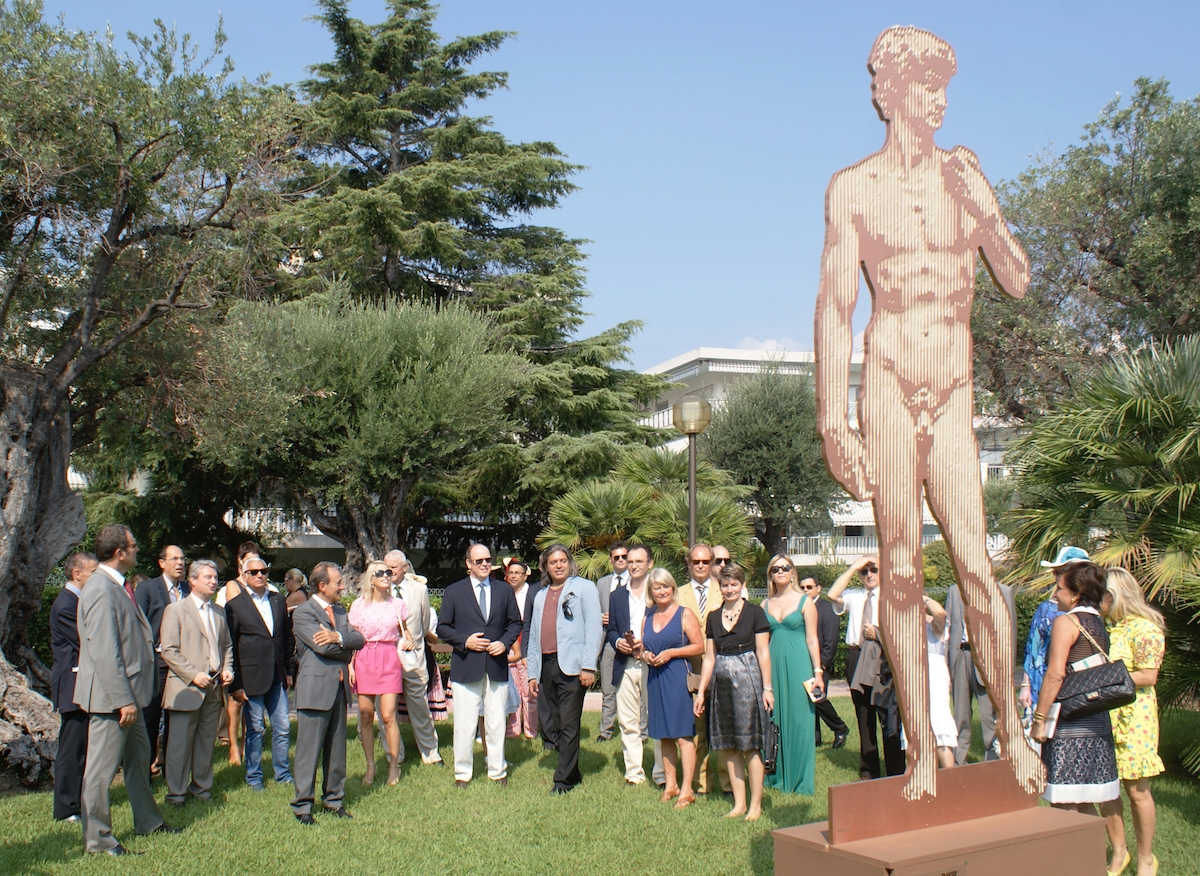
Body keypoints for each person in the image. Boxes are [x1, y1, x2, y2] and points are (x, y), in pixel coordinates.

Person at [815, 25, 1040, 799]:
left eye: (945, 87)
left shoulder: (962, 174)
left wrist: (990, 217)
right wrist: (830, 418)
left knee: (975, 565)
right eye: (925, 87)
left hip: (951, 389)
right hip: (883, 381)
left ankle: (1010, 733)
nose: (939, 101)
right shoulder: (852, 187)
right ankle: (921, 753)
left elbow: (1016, 280)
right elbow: (834, 304)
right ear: (889, 93)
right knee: (901, 572)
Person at [75, 524, 178, 855]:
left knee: (137, 761)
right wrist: (122, 700)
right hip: (112, 700)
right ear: (119, 552)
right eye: (133, 546)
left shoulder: (117, 586)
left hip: (129, 696)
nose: (137, 550)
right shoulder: (100, 589)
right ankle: (99, 840)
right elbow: (105, 651)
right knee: (100, 773)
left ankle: (148, 821)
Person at [1030, 561, 1119, 810]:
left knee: (1064, 802)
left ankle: (1070, 850)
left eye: (1059, 588)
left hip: (1069, 723)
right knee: (1086, 801)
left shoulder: (1066, 623)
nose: (1055, 594)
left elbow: (1056, 674)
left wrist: (1040, 719)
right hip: (1096, 720)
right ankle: (1093, 850)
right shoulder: (1098, 624)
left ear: (1076, 594)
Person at [437, 543, 522, 787]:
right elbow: (443, 627)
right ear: (468, 564)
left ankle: (498, 770)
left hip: (496, 665)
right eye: (479, 561)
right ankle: (463, 773)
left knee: (496, 721)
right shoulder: (454, 591)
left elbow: (515, 623)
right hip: (466, 665)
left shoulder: (504, 590)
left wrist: (504, 643)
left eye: (487, 560)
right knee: (465, 722)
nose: (485, 564)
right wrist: (465, 641)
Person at [694, 563, 774, 820]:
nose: (729, 589)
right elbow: (708, 658)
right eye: (725, 585)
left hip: (749, 678)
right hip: (722, 682)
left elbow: (763, 652)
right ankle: (739, 804)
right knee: (729, 745)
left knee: (750, 745)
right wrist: (701, 692)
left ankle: (756, 806)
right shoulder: (713, 617)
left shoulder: (754, 614)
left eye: (734, 584)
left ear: (742, 585)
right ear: (720, 587)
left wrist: (767, 688)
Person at [1101, 569, 1165, 876]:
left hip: (1133, 717)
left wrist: (1102, 680)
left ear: (1116, 595)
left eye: (1103, 594)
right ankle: (1119, 852)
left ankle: (1146, 858)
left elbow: (1148, 675)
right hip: (1104, 714)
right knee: (1107, 788)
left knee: (1137, 790)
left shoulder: (1145, 627)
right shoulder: (1104, 627)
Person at [290, 562, 365, 823]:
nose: (343, 587)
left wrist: (338, 638)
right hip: (314, 689)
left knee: (336, 751)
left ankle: (334, 800)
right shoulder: (303, 613)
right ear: (322, 586)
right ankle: (303, 806)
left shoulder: (340, 611)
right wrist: (342, 643)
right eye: (338, 583)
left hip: (339, 688)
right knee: (308, 751)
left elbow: (360, 639)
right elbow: (322, 649)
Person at [527, 546, 602, 794]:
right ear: (545, 567)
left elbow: (593, 627)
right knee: (558, 723)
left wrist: (588, 665)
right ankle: (573, 771)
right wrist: (533, 673)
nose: (558, 565)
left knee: (569, 723)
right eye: (552, 562)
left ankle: (563, 781)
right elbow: (535, 636)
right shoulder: (540, 595)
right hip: (547, 666)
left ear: (569, 563)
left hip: (573, 665)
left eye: (562, 561)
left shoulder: (584, 588)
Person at [160, 559, 233, 806]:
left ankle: (201, 788)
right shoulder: (177, 610)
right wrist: (192, 674)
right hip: (186, 688)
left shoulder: (219, 612)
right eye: (208, 577)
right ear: (192, 581)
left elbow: (227, 646)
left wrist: (227, 668)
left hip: (213, 687)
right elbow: (168, 650)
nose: (214, 581)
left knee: (205, 743)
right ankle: (176, 794)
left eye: (215, 577)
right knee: (179, 745)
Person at [825, 555, 903, 779]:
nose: (869, 575)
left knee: (888, 714)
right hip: (856, 656)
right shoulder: (855, 597)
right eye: (864, 571)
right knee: (863, 716)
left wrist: (878, 635)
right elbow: (832, 595)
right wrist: (853, 567)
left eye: (874, 569)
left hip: (882, 657)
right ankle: (869, 770)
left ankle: (895, 768)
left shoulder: (891, 598)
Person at [225, 550, 294, 791]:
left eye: (263, 572)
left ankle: (282, 773)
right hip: (251, 677)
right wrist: (235, 684)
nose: (259, 576)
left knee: (283, 727)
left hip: (276, 676)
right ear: (243, 576)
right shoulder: (234, 606)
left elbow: (286, 638)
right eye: (253, 572)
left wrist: (288, 671)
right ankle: (254, 776)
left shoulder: (278, 600)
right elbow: (231, 645)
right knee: (255, 729)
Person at [639, 567, 704, 808]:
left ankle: (687, 789)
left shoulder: (684, 614)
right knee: (663, 734)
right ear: (651, 591)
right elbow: (643, 646)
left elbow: (699, 646)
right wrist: (645, 654)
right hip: (655, 678)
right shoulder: (647, 617)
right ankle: (671, 784)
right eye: (658, 587)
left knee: (683, 736)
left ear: (673, 588)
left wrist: (672, 653)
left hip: (677, 679)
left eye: (666, 586)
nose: (662, 591)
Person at [762, 555, 824, 795]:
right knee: (774, 719)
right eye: (775, 568)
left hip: (800, 664)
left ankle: (799, 780)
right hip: (773, 665)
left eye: (784, 567)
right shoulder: (764, 605)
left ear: (792, 572)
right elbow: (762, 644)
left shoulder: (805, 602)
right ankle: (774, 776)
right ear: (770, 574)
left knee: (800, 721)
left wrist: (817, 672)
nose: (780, 571)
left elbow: (812, 639)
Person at [348, 561, 413, 786]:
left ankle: (394, 765)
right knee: (365, 715)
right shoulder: (358, 606)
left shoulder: (398, 605)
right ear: (371, 579)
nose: (386, 575)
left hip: (388, 658)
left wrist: (408, 641)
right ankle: (370, 766)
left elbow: (408, 634)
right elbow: (353, 638)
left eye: (388, 572)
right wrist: (350, 666)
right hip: (364, 657)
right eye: (380, 573)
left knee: (388, 715)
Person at [49, 551, 98, 823]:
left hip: (83, 686)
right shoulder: (67, 604)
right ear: (77, 573)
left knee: (82, 747)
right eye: (92, 572)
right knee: (72, 749)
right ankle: (66, 808)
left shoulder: (77, 601)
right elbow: (85, 641)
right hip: (73, 687)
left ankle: (78, 801)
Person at [947, 578, 1017, 764]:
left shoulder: (1003, 591)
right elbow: (949, 629)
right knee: (960, 715)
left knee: (988, 717)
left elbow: (1009, 635)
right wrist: (949, 666)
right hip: (961, 656)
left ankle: (992, 763)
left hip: (989, 661)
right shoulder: (955, 590)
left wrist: (1006, 671)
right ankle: (958, 764)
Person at [135, 544, 189, 779]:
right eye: (174, 558)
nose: (180, 563)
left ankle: (173, 771)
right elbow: (138, 627)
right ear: (162, 563)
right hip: (155, 664)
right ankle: (143, 772)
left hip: (182, 665)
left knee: (176, 721)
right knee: (150, 719)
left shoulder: (188, 588)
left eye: (182, 558)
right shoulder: (147, 589)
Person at [676, 543, 726, 795]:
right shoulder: (679, 592)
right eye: (695, 561)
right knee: (699, 729)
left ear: (712, 563)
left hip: (725, 666)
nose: (700, 566)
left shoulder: (726, 589)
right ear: (689, 563)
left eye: (705, 562)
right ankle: (701, 782)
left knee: (726, 727)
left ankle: (728, 783)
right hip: (694, 670)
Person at [387, 551, 444, 765]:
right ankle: (395, 755)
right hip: (387, 660)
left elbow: (424, 621)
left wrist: (418, 652)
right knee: (387, 710)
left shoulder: (419, 590)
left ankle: (431, 754)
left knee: (420, 708)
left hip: (414, 659)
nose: (390, 571)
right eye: (387, 566)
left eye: (394, 567)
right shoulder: (379, 589)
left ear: (404, 567)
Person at [1019, 547, 1087, 712]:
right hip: (1043, 681)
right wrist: (1026, 685)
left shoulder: (1091, 613)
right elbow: (1033, 649)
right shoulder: (1046, 610)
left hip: (1078, 684)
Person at [607, 544, 652, 785]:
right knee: (627, 721)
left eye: (639, 561)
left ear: (650, 564)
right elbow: (611, 629)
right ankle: (634, 773)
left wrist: (649, 644)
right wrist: (616, 642)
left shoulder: (658, 593)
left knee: (655, 720)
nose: (633, 565)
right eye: (630, 562)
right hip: (625, 665)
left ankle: (661, 773)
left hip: (652, 664)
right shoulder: (617, 596)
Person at [217, 545, 265, 766]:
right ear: (241, 563)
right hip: (236, 647)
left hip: (257, 654)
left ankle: (248, 743)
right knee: (235, 702)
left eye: (259, 565)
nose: (257, 571)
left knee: (252, 703)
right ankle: (233, 746)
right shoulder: (233, 586)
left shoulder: (266, 588)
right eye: (250, 564)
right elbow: (241, 615)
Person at [805, 576, 849, 748]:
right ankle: (815, 737)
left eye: (809, 587)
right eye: (803, 587)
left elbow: (831, 638)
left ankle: (839, 727)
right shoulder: (803, 608)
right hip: (805, 661)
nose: (806, 590)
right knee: (809, 700)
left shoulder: (826, 608)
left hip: (821, 663)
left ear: (818, 588)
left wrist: (823, 663)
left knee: (817, 698)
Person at [594, 542, 629, 742]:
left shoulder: (635, 581)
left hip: (629, 640)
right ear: (611, 560)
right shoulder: (602, 583)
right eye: (617, 557)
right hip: (608, 640)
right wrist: (601, 616)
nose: (621, 560)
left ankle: (640, 732)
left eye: (624, 556)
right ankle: (606, 730)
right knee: (608, 689)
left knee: (635, 689)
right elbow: (594, 609)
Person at [922, 592, 957, 769]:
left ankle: (951, 780)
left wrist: (923, 598)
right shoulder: (906, 626)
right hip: (914, 680)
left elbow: (940, 614)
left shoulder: (933, 624)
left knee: (940, 733)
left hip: (934, 677)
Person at [504, 559, 537, 740]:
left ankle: (531, 730)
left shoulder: (531, 594)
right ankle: (512, 730)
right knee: (512, 691)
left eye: (518, 573)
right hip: (508, 648)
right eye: (511, 572)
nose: (514, 576)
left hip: (526, 649)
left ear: (526, 575)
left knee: (528, 692)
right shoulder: (503, 593)